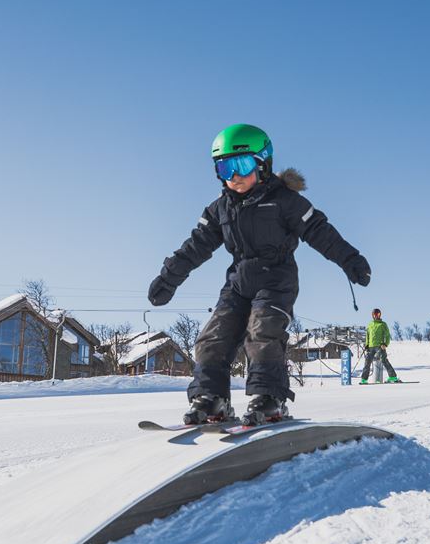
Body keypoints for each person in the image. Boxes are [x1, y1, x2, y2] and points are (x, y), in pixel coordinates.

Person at [148, 123, 370, 426]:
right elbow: (194, 247)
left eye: (241, 165)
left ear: (263, 164)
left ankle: (269, 398)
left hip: (276, 280)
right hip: (238, 283)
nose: (234, 177)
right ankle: (212, 398)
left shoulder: (285, 201)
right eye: (225, 168)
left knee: (263, 332)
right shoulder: (219, 209)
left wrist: (350, 259)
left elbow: (319, 231)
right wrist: (168, 278)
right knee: (213, 337)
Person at [360, 308, 399, 384]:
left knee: (383, 359)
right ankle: (364, 379)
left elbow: (387, 335)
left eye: (378, 314)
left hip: (379, 346)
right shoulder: (370, 324)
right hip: (371, 346)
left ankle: (393, 377)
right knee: (367, 362)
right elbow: (367, 335)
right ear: (372, 315)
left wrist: (385, 344)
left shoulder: (383, 324)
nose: (376, 316)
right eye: (375, 314)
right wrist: (366, 344)